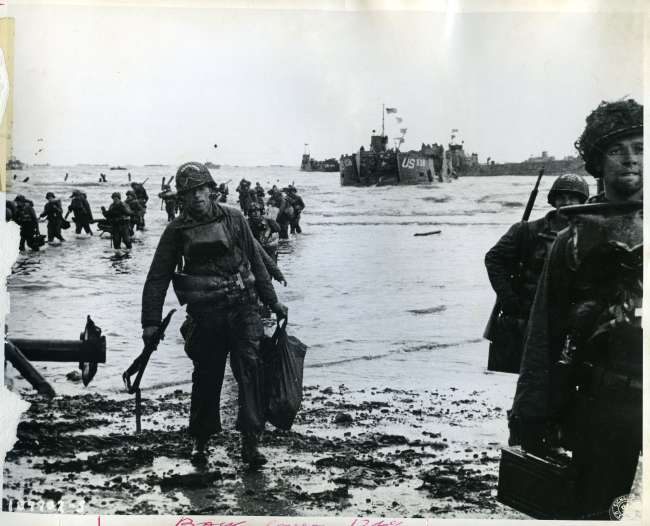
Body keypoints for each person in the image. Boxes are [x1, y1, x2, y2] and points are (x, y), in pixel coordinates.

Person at [508, 99, 643, 519]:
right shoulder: (574, 238)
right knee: (598, 508)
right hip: (602, 400)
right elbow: (543, 332)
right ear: (597, 163)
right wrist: (530, 415)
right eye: (617, 150)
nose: (631, 159)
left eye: (641, 147)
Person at [140, 162, 288, 467]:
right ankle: (201, 440)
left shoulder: (234, 217)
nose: (196, 197)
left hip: (243, 309)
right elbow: (158, 276)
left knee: (250, 370)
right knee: (207, 377)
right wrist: (150, 323)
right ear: (182, 197)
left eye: (201, 189)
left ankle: (251, 441)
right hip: (205, 315)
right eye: (190, 192)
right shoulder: (176, 230)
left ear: (211, 189)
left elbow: (257, 263)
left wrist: (273, 302)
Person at [484, 174, 589, 372]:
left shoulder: (588, 235)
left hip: (561, 321)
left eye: (573, 198)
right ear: (553, 200)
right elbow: (493, 259)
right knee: (516, 376)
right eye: (562, 197)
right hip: (523, 318)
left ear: (582, 202)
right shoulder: (526, 231)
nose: (567, 202)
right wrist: (508, 298)